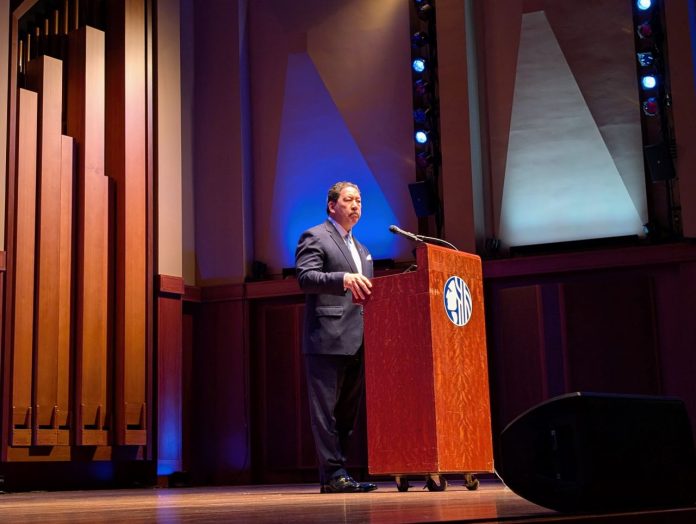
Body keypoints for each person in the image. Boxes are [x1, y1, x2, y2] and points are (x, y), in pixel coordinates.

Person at [295, 181, 377, 493]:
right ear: (332, 206)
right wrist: (342, 278)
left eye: (359, 200)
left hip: (358, 338)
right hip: (326, 339)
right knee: (325, 413)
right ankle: (333, 473)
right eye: (348, 200)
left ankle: (339, 474)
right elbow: (305, 278)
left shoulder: (363, 249)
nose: (356, 205)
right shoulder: (315, 236)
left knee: (346, 414)